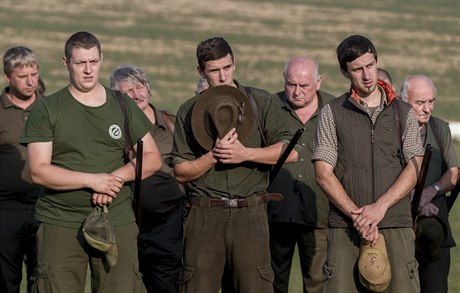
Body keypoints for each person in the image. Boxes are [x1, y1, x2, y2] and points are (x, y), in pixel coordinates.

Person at [20, 31, 161, 293]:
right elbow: (38, 172)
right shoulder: (48, 108)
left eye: (93, 62)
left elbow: (152, 158)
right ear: (66, 63)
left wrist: (114, 179)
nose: (88, 70)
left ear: (101, 60)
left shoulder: (122, 105)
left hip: (116, 218)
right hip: (60, 220)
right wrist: (93, 180)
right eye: (80, 63)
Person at [166, 36, 298, 293]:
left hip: (250, 212)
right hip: (204, 214)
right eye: (214, 71)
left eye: (227, 67)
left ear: (234, 63)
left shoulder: (260, 102)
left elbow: (290, 151)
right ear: (201, 72)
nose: (223, 76)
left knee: (255, 287)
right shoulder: (188, 111)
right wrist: (213, 156)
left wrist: (244, 153)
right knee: (195, 286)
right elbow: (181, 172)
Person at [312, 34, 425, 293]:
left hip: (395, 222)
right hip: (345, 228)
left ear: (376, 62)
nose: (367, 75)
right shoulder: (332, 112)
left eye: (370, 65)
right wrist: (358, 216)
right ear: (344, 71)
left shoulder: (403, 112)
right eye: (358, 69)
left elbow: (414, 166)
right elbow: (323, 173)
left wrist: (380, 208)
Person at [110, 64, 185, 293]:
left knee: (165, 285)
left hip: (168, 223)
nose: (136, 94)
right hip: (126, 224)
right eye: (128, 91)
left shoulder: (173, 123)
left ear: (148, 89)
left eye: (140, 87)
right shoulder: (114, 131)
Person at [267, 57, 334, 293]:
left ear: (318, 82)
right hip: (276, 212)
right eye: (290, 84)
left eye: (304, 86)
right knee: (273, 282)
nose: (296, 92)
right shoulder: (269, 107)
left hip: (320, 212)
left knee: (318, 283)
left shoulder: (335, 110)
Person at [399, 75, 459, 293]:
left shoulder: (440, 128)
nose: (427, 108)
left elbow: (453, 175)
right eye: (420, 103)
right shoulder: (391, 131)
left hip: (435, 235)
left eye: (431, 101)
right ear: (402, 100)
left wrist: (429, 192)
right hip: (400, 232)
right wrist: (414, 198)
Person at [0, 46, 41, 293]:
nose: (30, 81)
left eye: (34, 74)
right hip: (5, 209)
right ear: (8, 76)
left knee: (44, 278)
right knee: (5, 280)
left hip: (45, 207)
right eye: (22, 76)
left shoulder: (49, 109)